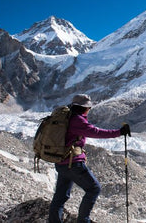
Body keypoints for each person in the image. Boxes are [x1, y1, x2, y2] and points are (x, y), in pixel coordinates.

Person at [48, 94, 131, 223]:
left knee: (60, 196)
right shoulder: (77, 120)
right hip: (73, 163)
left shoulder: (68, 117)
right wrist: (119, 132)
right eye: (88, 107)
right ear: (84, 108)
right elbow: (96, 132)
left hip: (61, 162)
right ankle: (83, 221)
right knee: (94, 188)